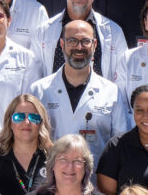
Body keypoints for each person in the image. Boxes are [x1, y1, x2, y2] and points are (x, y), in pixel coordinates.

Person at [29, 20, 124, 168]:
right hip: (50, 180)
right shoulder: (39, 91)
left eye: (85, 41)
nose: (79, 47)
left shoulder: (112, 92)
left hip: (96, 183)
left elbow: (120, 145)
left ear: (94, 45)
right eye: (72, 41)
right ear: (62, 44)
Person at [0, 93, 53, 195]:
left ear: (41, 123)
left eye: (34, 117)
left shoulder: (53, 160)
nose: (26, 122)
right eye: (19, 117)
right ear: (10, 122)